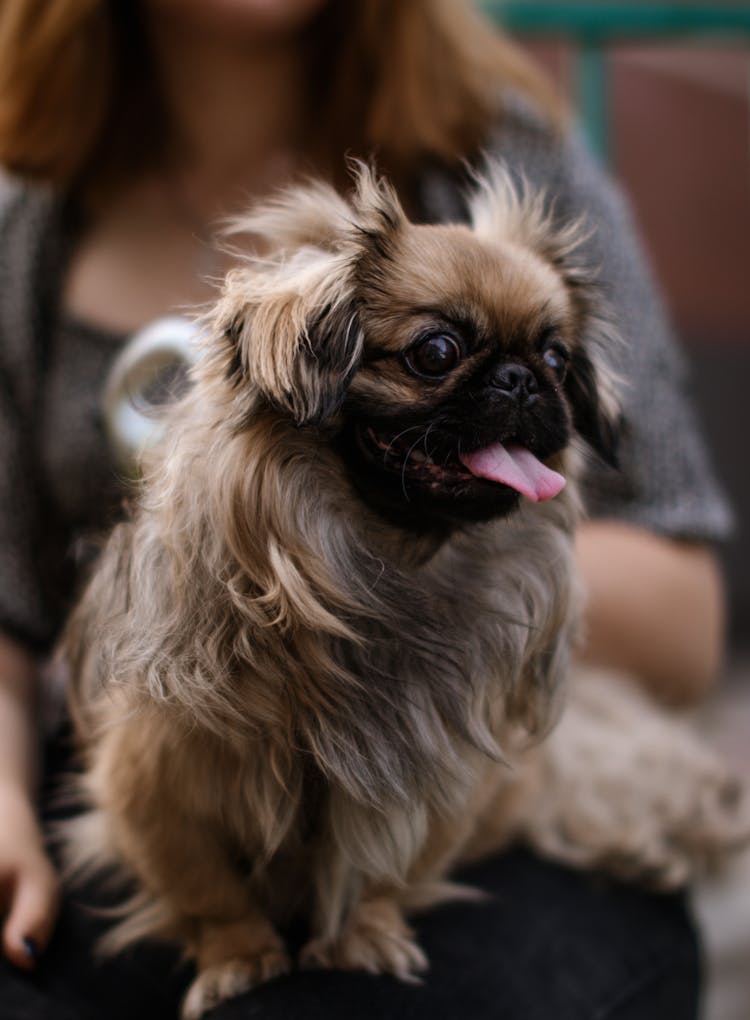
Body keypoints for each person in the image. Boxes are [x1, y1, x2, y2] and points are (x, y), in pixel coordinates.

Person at [0, 1, 732, 1017]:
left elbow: (685, 607)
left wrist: (399, 614)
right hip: (124, 813)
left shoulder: (503, 142)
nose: (519, 390)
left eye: (545, 364)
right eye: (437, 354)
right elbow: (8, 606)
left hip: (475, 820)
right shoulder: (25, 213)